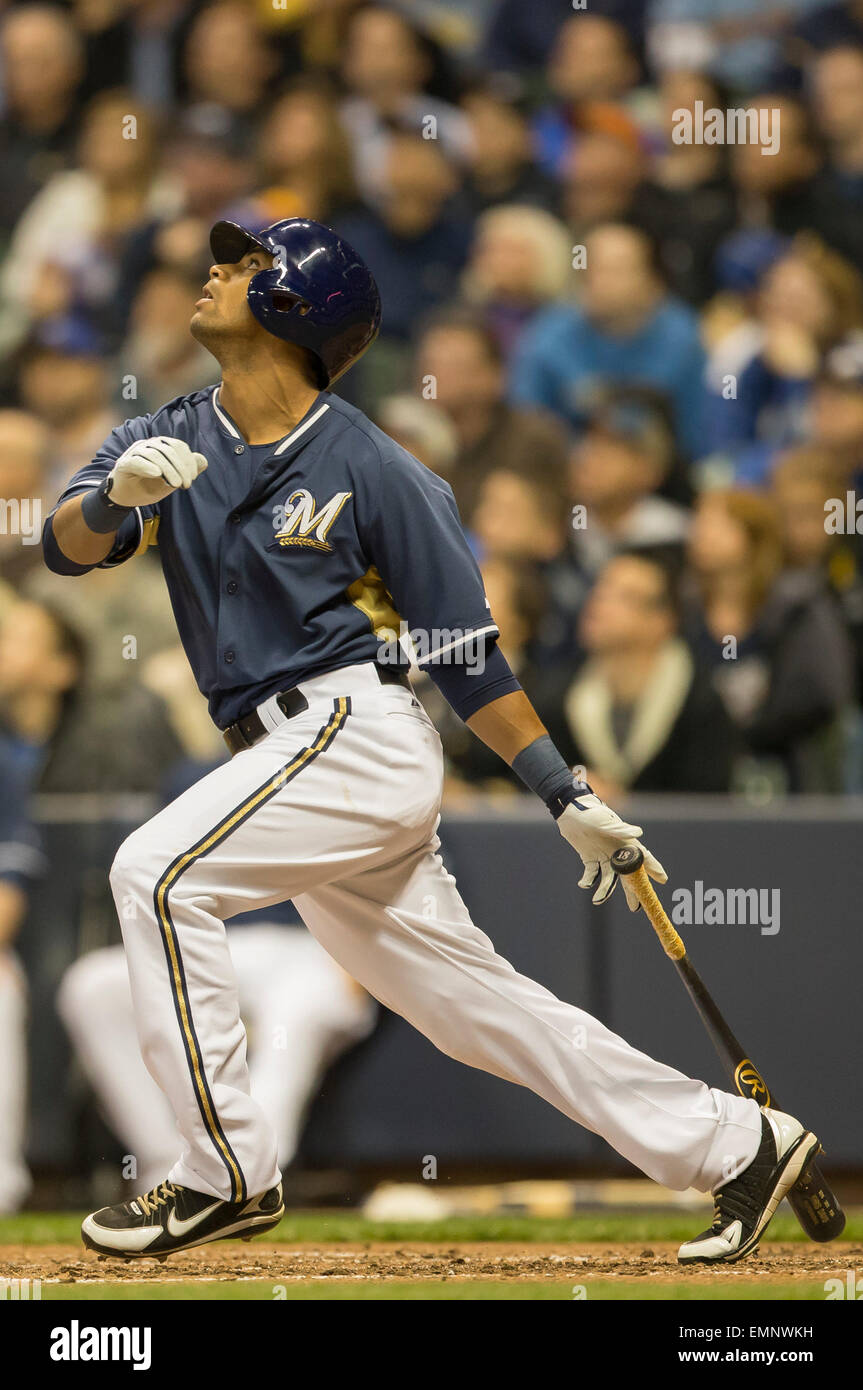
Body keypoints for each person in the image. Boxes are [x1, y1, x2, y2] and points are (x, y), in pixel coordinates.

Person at [43, 215, 819, 1266]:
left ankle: (223, 1169)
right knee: (475, 1012)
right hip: (283, 755)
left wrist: (562, 791)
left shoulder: (376, 466)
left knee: (156, 871)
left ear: (297, 306)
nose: (217, 270)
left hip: (351, 731)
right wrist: (110, 500)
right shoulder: (170, 433)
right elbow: (61, 544)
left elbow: (463, 653)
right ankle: (737, 1144)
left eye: (246, 263)